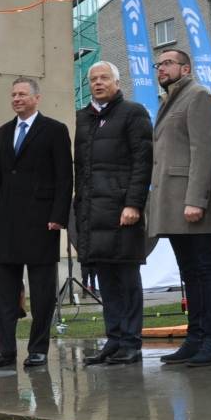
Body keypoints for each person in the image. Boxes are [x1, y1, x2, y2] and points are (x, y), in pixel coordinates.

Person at [148, 49, 211, 367]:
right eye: (159, 65)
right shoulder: (169, 101)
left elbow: (204, 150)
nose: (161, 69)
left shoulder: (199, 96)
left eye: (167, 63)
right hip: (172, 201)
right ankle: (195, 338)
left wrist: (196, 199)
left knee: (207, 269)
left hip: (191, 201)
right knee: (190, 272)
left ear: (186, 67)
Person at [0, 77, 73, 369]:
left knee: (42, 292)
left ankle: (38, 349)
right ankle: (5, 351)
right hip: (8, 222)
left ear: (37, 98)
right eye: (13, 94)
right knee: (6, 293)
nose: (17, 98)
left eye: (22, 94)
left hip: (42, 222)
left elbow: (64, 177)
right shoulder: (3, 132)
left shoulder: (55, 130)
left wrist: (59, 216)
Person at [73, 61, 153, 366]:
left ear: (117, 82)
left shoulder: (133, 113)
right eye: (93, 79)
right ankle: (114, 339)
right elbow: (81, 168)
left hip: (122, 211)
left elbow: (143, 162)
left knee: (127, 278)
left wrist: (134, 204)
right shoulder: (83, 118)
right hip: (93, 213)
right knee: (105, 279)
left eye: (104, 78)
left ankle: (131, 342)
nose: (98, 83)